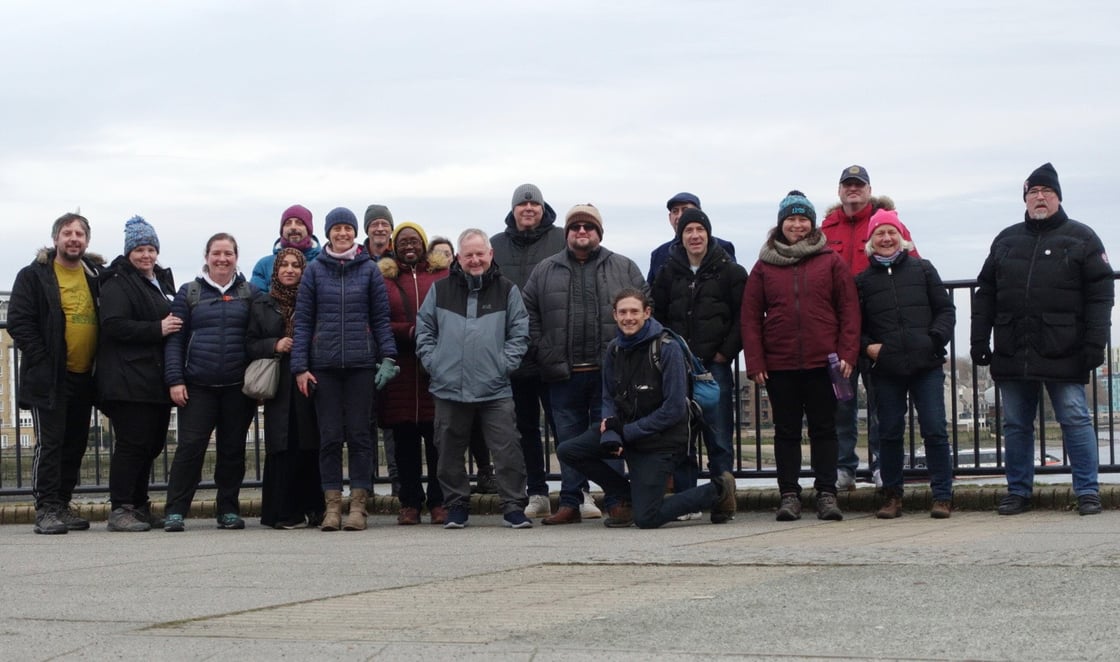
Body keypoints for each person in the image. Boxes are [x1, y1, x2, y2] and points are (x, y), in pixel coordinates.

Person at [971, 162, 1114, 517]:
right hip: (1012, 347)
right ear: (1024, 199)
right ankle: (1018, 491)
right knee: (1016, 424)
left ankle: (1087, 491)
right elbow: (985, 291)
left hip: (1064, 348)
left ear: (1058, 197)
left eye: (1046, 192)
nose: (1039, 197)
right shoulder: (1005, 239)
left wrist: (1095, 344)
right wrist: (978, 339)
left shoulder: (1083, 238)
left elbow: (1101, 295)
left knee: (1075, 419)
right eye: (1032, 192)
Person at [556, 288, 738, 528]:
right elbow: (608, 396)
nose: (628, 317)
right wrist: (611, 433)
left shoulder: (667, 348)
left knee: (647, 518)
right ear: (614, 315)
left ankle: (718, 490)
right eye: (623, 312)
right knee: (568, 450)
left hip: (662, 441)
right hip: (627, 432)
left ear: (647, 313)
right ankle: (630, 498)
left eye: (634, 311)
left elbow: (674, 409)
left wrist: (626, 432)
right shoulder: (614, 349)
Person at [522, 203, 647, 525]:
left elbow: (646, 309)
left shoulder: (624, 266)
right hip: (562, 376)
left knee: (611, 440)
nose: (581, 232)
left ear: (598, 232)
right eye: (575, 227)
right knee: (567, 443)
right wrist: (545, 353)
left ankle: (618, 500)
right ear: (567, 233)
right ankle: (570, 502)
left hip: (611, 376)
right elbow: (528, 316)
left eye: (588, 227)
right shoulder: (544, 270)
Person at [741, 191, 858, 521]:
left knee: (825, 430)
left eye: (802, 219)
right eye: (791, 219)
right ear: (780, 224)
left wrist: (848, 352)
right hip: (780, 364)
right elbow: (750, 317)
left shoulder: (830, 261)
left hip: (825, 362)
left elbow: (849, 310)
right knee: (786, 432)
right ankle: (789, 495)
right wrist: (756, 361)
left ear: (812, 223)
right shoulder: (763, 266)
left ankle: (826, 494)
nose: (797, 224)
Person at [415, 228, 531, 529]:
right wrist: (434, 363)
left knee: (507, 448)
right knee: (449, 449)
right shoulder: (440, 290)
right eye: (469, 255)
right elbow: (424, 329)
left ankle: (513, 506)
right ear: (458, 257)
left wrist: (505, 364)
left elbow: (519, 332)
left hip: (496, 386)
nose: (475, 260)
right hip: (448, 384)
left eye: (481, 254)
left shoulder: (507, 290)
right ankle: (456, 506)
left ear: (490, 255)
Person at [293, 207, 399, 531]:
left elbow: (380, 318)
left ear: (356, 233)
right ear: (328, 233)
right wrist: (299, 366)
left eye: (348, 229)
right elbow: (303, 322)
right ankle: (332, 508)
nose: (342, 234)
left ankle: (358, 507)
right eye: (337, 229)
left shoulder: (369, 270)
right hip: (323, 366)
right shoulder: (313, 271)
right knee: (329, 438)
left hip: (360, 365)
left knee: (360, 437)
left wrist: (389, 357)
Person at [855, 210, 955, 519]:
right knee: (889, 432)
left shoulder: (923, 270)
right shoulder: (861, 281)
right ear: (871, 241)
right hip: (886, 368)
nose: (886, 238)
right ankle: (892, 497)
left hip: (926, 364)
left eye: (891, 232)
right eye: (879, 234)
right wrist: (868, 348)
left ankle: (942, 496)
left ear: (902, 237)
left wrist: (934, 340)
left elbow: (945, 310)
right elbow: (853, 326)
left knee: (935, 430)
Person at [9, 212, 104, 534]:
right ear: (56, 239)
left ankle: (62, 503)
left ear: (87, 241)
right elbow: (20, 322)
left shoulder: (94, 275)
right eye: (67, 233)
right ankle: (46, 508)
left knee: (75, 443)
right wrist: (44, 359)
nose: (73, 238)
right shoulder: (34, 275)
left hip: (84, 376)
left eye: (79, 234)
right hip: (50, 378)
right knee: (50, 444)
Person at [820, 166, 913, 491]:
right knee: (841, 406)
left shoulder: (889, 225)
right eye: (848, 185)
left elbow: (912, 268)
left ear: (869, 189)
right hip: (838, 334)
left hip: (878, 333)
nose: (853, 190)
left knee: (882, 405)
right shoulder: (826, 228)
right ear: (839, 191)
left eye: (859, 185)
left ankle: (882, 467)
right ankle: (844, 469)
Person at [652, 207, 746, 512]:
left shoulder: (730, 270)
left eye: (700, 230)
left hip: (714, 366)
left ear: (708, 234)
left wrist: (724, 353)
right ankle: (687, 500)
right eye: (688, 231)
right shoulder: (668, 271)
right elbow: (659, 317)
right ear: (681, 237)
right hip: (678, 367)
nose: (694, 236)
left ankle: (723, 498)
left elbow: (743, 317)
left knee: (718, 436)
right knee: (682, 437)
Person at [162, 233, 258, 532]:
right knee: (190, 449)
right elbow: (175, 340)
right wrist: (175, 379)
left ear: (236, 257)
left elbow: (257, 338)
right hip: (198, 385)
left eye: (228, 253)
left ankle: (228, 509)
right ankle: (175, 510)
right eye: (216, 253)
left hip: (236, 387)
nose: (222, 259)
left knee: (232, 451)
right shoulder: (188, 292)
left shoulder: (250, 293)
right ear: (207, 256)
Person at [97, 216, 181, 532]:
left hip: (152, 380)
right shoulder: (118, 282)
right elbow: (114, 325)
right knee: (132, 445)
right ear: (129, 252)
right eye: (140, 250)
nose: (146, 255)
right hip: (126, 381)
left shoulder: (158, 281)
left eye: (151, 249)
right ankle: (121, 508)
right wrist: (157, 328)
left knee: (151, 445)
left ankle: (139, 504)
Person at [491, 183, 566, 518]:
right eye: (522, 205)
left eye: (534, 204)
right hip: (514, 355)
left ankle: (576, 491)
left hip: (553, 350)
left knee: (564, 425)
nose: (528, 209)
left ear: (542, 208)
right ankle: (537, 491)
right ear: (514, 210)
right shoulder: (495, 245)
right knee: (525, 430)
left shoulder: (561, 238)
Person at [378, 221, 450, 525]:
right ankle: (409, 501)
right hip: (401, 368)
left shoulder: (443, 276)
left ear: (424, 245)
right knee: (404, 442)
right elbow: (377, 319)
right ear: (395, 246)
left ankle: (438, 500)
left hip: (435, 368)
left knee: (438, 442)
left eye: (415, 241)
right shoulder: (384, 279)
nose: (410, 246)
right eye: (403, 241)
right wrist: (410, 331)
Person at [247, 248, 325, 529]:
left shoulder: (313, 301)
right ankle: (282, 512)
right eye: (284, 265)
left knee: (311, 443)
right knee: (283, 445)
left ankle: (314, 508)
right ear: (276, 270)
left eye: (296, 265)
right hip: (279, 385)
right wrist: (275, 345)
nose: (290, 270)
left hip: (309, 382)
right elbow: (250, 343)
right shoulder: (263, 304)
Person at [361, 203, 399, 494]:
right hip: (362, 346)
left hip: (391, 345)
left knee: (393, 421)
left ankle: (399, 483)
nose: (380, 228)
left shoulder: (399, 259)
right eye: (374, 223)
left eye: (385, 223)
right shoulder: (356, 257)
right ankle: (367, 486)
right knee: (365, 421)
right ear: (367, 229)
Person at [646, 192, 736, 284]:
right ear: (670, 217)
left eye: (685, 210)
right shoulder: (659, 254)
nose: (679, 216)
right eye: (675, 211)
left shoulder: (722, 248)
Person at [249, 204, 321, 292]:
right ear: (282, 230)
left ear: (308, 229)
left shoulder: (323, 263)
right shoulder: (264, 265)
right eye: (288, 223)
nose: (293, 227)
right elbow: (256, 299)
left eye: (299, 223)